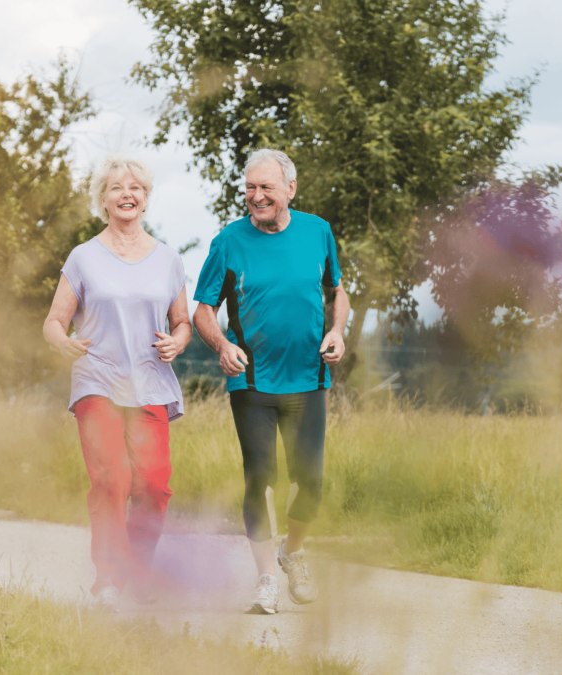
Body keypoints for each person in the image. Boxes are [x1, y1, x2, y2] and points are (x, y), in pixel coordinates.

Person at [193, 148, 348, 614]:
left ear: (290, 190)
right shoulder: (229, 241)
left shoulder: (318, 232)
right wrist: (223, 346)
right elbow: (203, 308)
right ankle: (265, 579)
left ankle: (291, 551)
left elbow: (337, 292)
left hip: (308, 378)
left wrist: (337, 331)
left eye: (266, 188)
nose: (256, 196)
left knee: (311, 483)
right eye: (250, 188)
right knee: (260, 476)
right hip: (252, 382)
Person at [43, 155, 190, 611]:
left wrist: (178, 343)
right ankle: (109, 576)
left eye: (136, 188)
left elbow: (182, 321)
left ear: (146, 199)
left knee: (155, 483)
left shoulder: (168, 259)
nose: (127, 194)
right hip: (98, 379)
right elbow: (53, 321)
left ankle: (138, 572)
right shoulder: (84, 256)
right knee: (112, 477)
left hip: (148, 381)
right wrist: (61, 341)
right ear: (103, 200)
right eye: (116, 188)